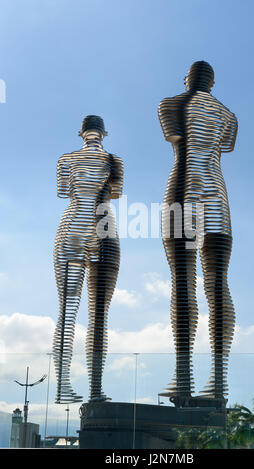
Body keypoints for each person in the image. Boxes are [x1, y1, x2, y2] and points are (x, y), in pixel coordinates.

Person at [158, 61, 238, 404]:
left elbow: (174, 135)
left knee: (182, 280)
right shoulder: (229, 116)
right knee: (217, 282)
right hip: (217, 194)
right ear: (213, 82)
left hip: (183, 188)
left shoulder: (170, 104)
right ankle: (218, 380)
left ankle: (183, 376)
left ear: (187, 79)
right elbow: (228, 147)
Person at [53, 115, 123, 403]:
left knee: (67, 310)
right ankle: (96, 389)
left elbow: (62, 193)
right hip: (102, 226)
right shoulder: (114, 161)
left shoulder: (65, 160)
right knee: (99, 314)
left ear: (80, 133)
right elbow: (115, 194)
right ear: (104, 133)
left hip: (70, 226)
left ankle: (63, 386)